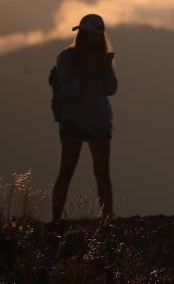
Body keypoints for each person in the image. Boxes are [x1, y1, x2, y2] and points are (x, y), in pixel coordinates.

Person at [51, 14, 117, 220]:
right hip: (75, 119)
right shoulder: (66, 57)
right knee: (67, 171)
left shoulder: (101, 59)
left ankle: (107, 218)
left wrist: (104, 69)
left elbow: (111, 88)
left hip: (97, 121)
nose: (90, 38)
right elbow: (68, 90)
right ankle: (56, 219)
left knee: (102, 174)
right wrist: (89, 72)